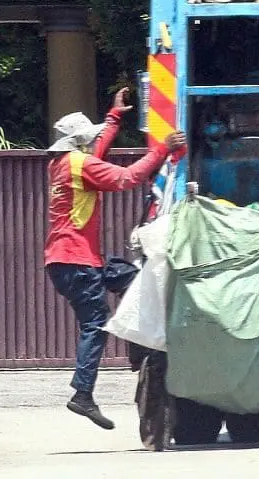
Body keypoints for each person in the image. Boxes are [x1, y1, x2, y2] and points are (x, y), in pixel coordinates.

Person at [44, 87, 187, 430]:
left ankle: (140, 343)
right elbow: (128, 178)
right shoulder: (80, 164)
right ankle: (82, 394)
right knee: (95, 323)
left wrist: (114, 116)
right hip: (77, 261)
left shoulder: (61, 164)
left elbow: (97, 151)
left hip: (76, 259)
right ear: (80, 142)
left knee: (136, 280)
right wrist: (163, 149)